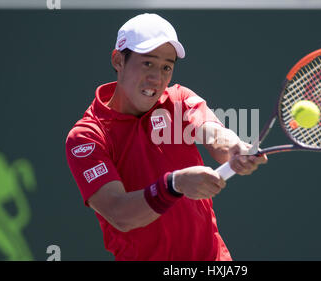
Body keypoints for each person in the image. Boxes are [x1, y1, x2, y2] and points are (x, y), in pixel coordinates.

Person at [65, 13, 267, 261]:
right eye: (147, 63)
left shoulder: (178, 100)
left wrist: (234, 147)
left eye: (166, 67)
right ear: (118, 60)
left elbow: (215, 135)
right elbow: (119, 214)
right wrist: (174, 184)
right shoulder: (86, 137)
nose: (157, 78)